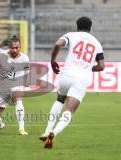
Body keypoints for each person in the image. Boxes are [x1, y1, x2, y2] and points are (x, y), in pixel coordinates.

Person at [39, 17, 105, 148]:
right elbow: (101, 66)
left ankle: (46, 131)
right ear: (90, 27)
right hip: (81, 79)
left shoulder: (71, 35)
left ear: (77, 26)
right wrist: (87, 67)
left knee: (59, 100)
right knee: (69, 111)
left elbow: (58, 44)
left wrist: (53, 61)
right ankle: (54, 133)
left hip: (66, 74)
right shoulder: (97, 43)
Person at [0, 35, 30, 135]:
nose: (15, 50)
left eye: (17, 48)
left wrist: (26, 80)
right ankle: (0, 124)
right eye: (12, 48)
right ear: (9, 47)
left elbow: (26, 70)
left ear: (20, 47)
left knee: (17, 97)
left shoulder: (24, 58)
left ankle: (21, 129)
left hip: (17, 83)